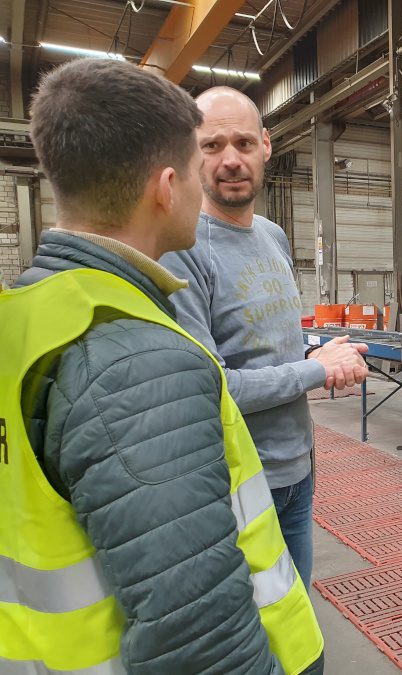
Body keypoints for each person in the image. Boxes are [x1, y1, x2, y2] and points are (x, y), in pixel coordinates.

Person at [2, 59, 324, 673]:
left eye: (243, 143)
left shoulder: (31, 310)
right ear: (167, 186)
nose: (222, 168)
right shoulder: (135, 358)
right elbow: (197, 637)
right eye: (203, 155)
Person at [160, 86, 368, 590]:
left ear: (266, 145)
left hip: (299, 471)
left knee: (296, 614)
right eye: (212, 146)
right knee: (256, 627)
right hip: (237, 484)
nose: (231, 160)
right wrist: (316, 369)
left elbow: (271, 347)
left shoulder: (273, 236)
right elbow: (211, 389)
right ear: (190, 153)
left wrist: (320, 354)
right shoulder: (183, 251)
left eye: (244, 143)